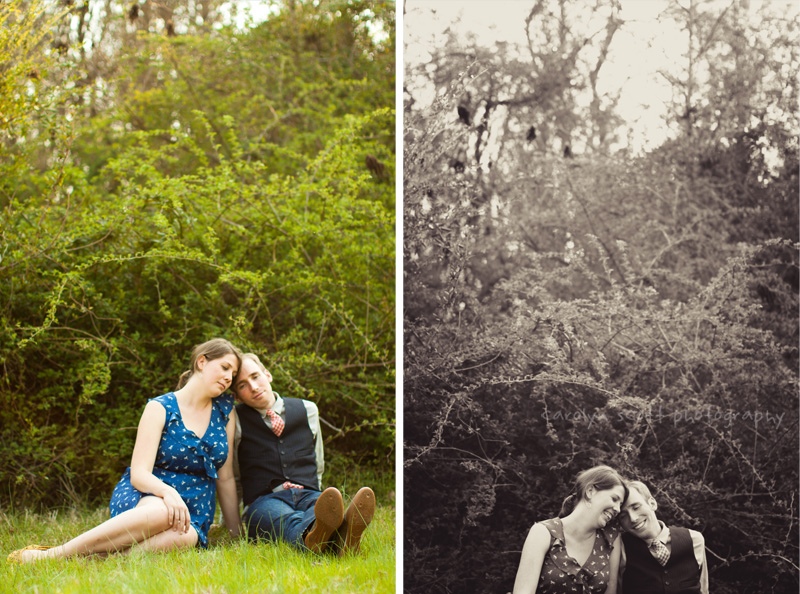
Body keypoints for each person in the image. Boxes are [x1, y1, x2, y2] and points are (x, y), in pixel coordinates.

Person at [7, 338, 243, 564]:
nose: (227, 378)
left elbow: (225, 476)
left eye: (232, 375)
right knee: (162, 512)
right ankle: (56, 555)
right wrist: (168, 493)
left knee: (188, 537)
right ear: (202, 362)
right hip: (149, 495)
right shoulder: (160, 408)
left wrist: (235, 533)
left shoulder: (225, 412)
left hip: (194, 508)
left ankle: (98, 560)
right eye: (224, 367)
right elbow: (139, 474)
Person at [233, 352, 375, 555]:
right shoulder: (235, 420)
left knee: (321, 510)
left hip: (308, 492)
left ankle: (325, 536)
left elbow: (318, 461)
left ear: (268, 374)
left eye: (255, 377)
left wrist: (317, 492)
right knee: (282, 518)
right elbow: (235, 475)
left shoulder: (308, 410)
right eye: (242, 385)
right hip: (265, 499)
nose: (253, 387)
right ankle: (342, 536)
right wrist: (231, 523)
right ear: (237, 396)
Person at [512, 465, 628, 594]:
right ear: (590, 491)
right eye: (614, 499)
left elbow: (611, 591)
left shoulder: (611, 538)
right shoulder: (543, 533)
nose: (617, 509)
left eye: (620, 504)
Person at [617, 481, 708, 594]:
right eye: (623, 516)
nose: (633, 518)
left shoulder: (694, 540)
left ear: (652, 503)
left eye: (636, 507)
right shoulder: (620, 548)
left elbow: (704, 590)